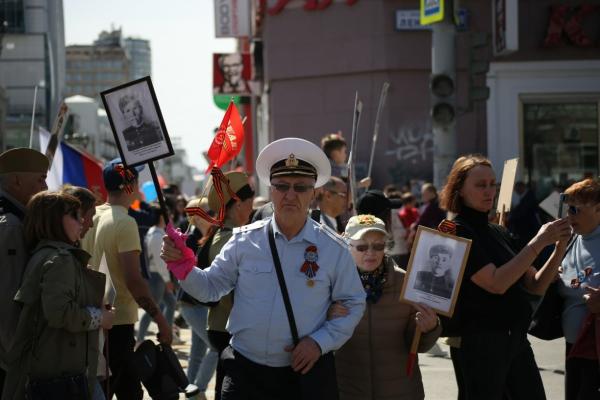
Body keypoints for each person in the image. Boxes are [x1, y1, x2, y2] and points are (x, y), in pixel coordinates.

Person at [162, 137, 366, 400]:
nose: (290, 195)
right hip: (246, 374)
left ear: (314, 193)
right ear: (270, 191)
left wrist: (320, 342)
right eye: (281, 186)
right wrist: (182, 266)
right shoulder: (244, 240)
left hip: (302, 375)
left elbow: (353, 302)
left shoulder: (333, 249)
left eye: (300, 187)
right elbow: (210, 288)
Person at [439, 154, 572, 399]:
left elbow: (534, 285)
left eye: (493, 184)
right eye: (480, 185)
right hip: (482, 345)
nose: (489, 191)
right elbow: (496, 283)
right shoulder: (455, 231)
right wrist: (539, 241)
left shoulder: (497, 231)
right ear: (459, 190)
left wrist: (558, 248)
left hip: (516, 340)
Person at [1, 191, 114, 400]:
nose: (81, 221)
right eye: (73, 215)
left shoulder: (46, 253)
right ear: (53, 220)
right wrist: (100, 318)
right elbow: (59, 312)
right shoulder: (59, 259)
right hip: (59, 376)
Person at [82, 158, 172, 400]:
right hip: (118, 322)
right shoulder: (125, 221)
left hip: (94, 319)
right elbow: (133, 279)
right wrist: (161, 320)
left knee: (105, 388)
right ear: (128, 186)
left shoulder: (92, 216)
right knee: (128, 392)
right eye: (136, 179)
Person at [331, 214, 441, 400]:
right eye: (362, 246)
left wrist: (430, 328)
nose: (371, 252)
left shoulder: (406, 282)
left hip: (401, 391)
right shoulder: (331, 282)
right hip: (347, 390)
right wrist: (326, 316)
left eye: (378, 246)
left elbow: (418, 345)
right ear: (347, 245)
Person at [0, 148, 48, 392]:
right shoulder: (12, 227)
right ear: (17, 181)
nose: (46, 186)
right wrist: (14, 358)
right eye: (40, 179)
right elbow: (9, 297)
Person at [556, 178, 600, 399]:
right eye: (567, 209)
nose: (569, 216)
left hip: (596, 349)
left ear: (598, 209)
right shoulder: (571, 239)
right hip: (573, 347)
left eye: (575, 209)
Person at [179, 197, 219, 400]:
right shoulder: (190, 239)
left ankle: (190, 390)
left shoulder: (207, 234)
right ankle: (199, 390)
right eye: (206, 211)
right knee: (216, 347)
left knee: (197, 351)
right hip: (192, 303)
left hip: (199, 304)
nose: (211, 214)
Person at [137, 203, 176, 343]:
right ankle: (140, 338)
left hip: (158, 276)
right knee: (153, 309)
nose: (171, 217)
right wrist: (167, 280)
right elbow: (160, 262)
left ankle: (168, 333)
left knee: (171, 304)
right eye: (168, 214)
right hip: (157, 277)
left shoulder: (157, 232)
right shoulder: (156, 235)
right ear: (161, 217)